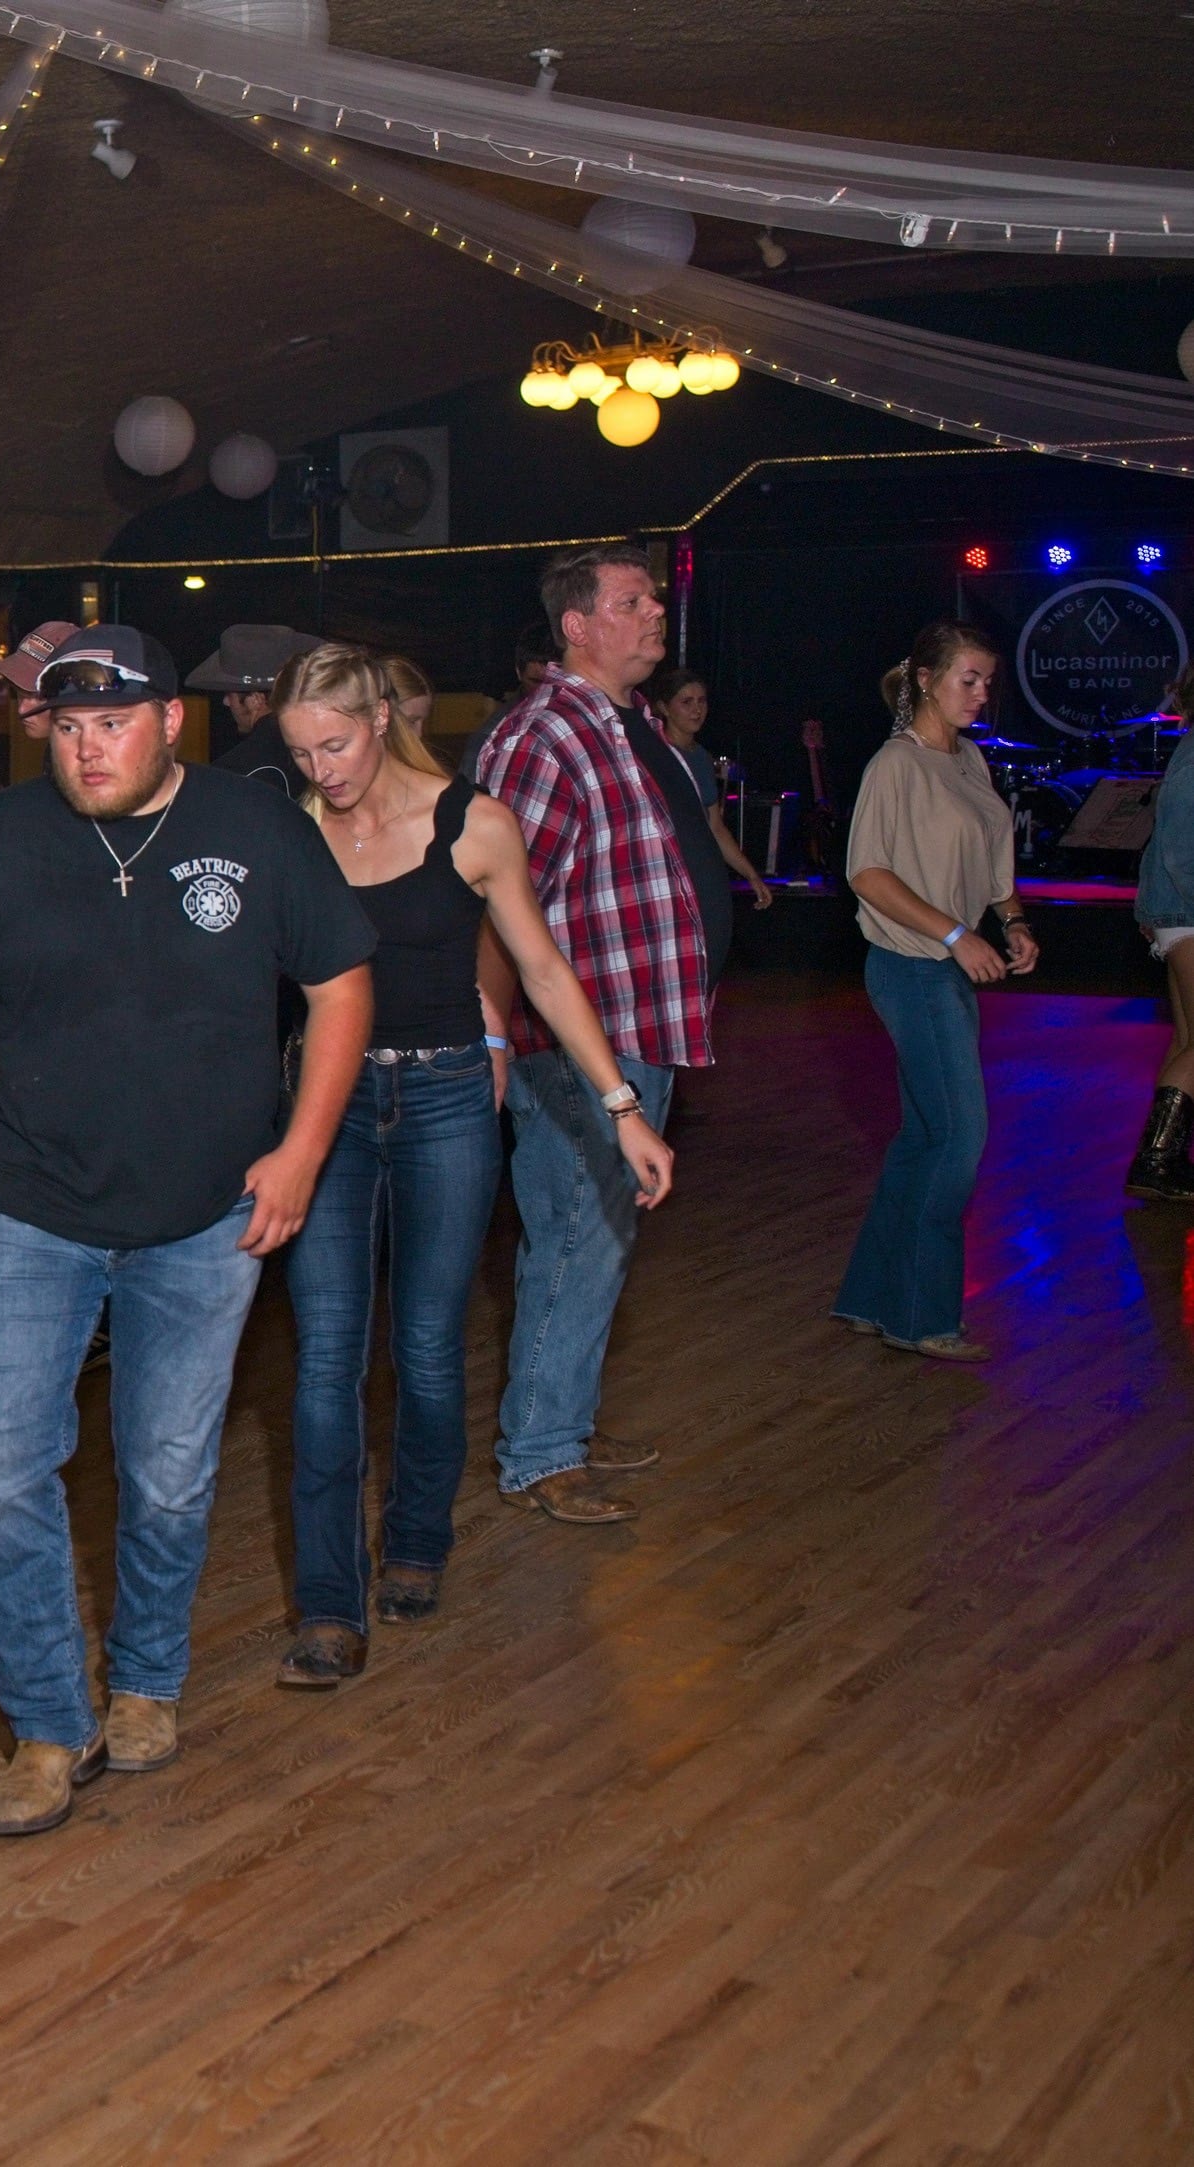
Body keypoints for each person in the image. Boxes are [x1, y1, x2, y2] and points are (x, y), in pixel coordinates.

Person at [0, 625, 375, 1828]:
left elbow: (340, 988)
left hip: (203, 1215)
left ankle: (149, 1678)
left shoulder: (255, 827)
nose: (87, 748)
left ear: (169, 720)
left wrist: (301, 1152)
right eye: (67, 727)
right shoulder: (2, 840)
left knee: (165, 1474)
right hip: (26, 1206)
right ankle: (47, 1723)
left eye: (112, 723)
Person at [271, 646, 676, 1683]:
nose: (321, 769)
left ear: (381, 720)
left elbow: (541, 966)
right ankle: (327, 1604)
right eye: (301, 752)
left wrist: (622, 1106)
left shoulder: (474, 823)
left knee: (425, 1341)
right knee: (325, 1356)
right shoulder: (291, 831)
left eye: (335, 744)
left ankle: (416, 1541)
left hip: (447, 1098)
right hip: (329, 1105)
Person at [470, 544, 712, 1522]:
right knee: (575, 1233)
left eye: (653, 597)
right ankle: (539, 1449)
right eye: (631, 600)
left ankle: (561, 1413)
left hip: (638, 1023)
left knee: (603, 1233)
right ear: (576, 626)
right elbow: (497, 902)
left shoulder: (624, 721)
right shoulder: (541, 735)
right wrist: (493, 1031)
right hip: (579, 1038)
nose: (655, 611)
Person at [834, 624, 1038, 1360]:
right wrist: (956, 934)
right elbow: (867, 873)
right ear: (925, 678)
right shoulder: (896, 764)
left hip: (946, 967)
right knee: (958, 1138)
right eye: (968, 679)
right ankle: (922, 1317)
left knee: (926, 1136)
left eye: (987, 682)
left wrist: (1012, 921)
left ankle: (870, 1298)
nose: (981, 695)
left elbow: (992, 866)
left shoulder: (969, 759)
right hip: (910, 966)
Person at [631, 666, 774, 988]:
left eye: (701, 701)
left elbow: (715, 826)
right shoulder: (652, 755)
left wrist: (750, 874)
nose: (697, 709)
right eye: (686, 702)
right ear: (664, 707)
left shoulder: (701, 758)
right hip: (663, 877)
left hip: (699, 873)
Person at [1126, 664, 1194, 1202]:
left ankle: (1163, 1158)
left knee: (1187, 1040)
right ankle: (1157, 1161)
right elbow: (1178, 851)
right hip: (1188, 915)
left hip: (1177, 915)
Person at [191, 623, 327, 792]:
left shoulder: (233, 771)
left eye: (230, 694)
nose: (226, 702)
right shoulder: (319, 749)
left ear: (256, 700)